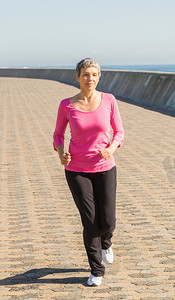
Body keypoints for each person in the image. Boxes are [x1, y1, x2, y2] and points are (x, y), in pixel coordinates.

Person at [53, 58, 124, 286]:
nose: (90, 79)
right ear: (77, 77)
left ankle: (106, 242)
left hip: (105, 168)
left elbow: (119, 132)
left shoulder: (109, 100)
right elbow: (58, 135)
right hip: (77, 170)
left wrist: (111, 148)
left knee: (108, 220)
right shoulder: (67, 105)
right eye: (85, 74)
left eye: (94, 74)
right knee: (90, 220)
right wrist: (61, 153)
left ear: (99, 76)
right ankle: (96, 270)